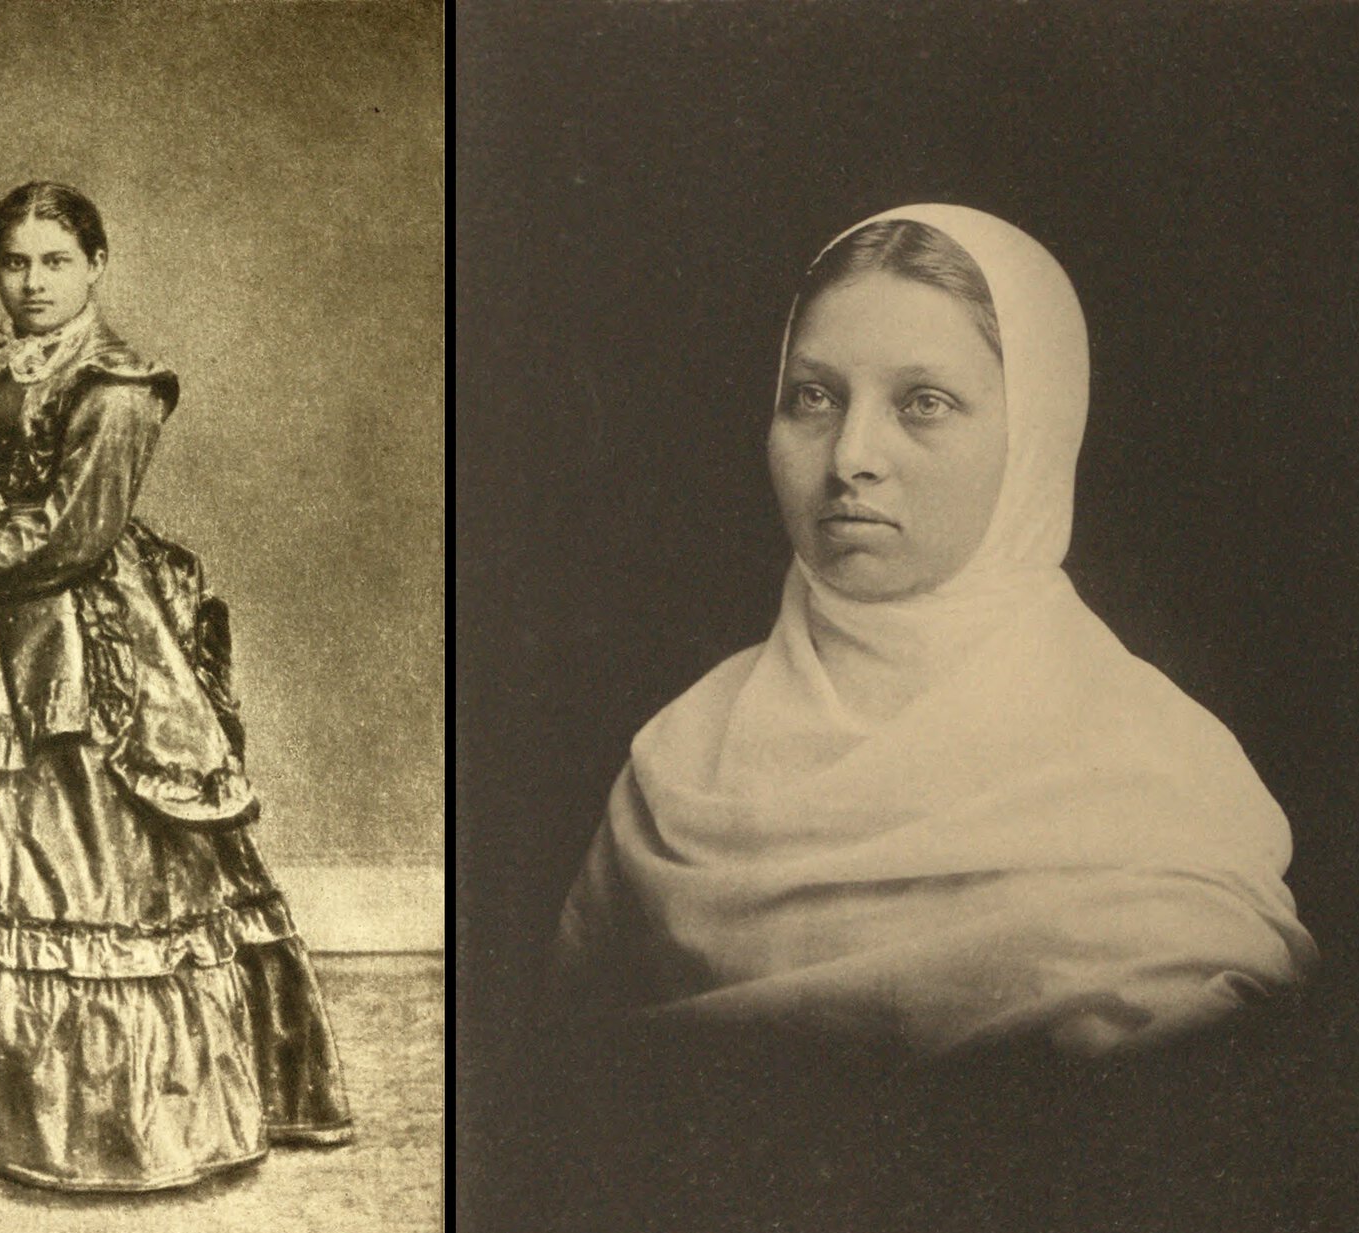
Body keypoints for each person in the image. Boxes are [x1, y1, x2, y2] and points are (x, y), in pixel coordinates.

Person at [553, 205, 1316, 1060]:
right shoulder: (676, 764)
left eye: (924, 403)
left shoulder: (1158, 771)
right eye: (813, 397)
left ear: (1034, 434)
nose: (851, 455)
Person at [0, 180, 351, 1190]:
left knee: (94, 865)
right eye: (15, 262)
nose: (33, 283)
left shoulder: (119, 385)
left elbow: (72, 534)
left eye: (56, 262)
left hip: (78, 647)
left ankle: (121, 1131)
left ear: (96, 265)